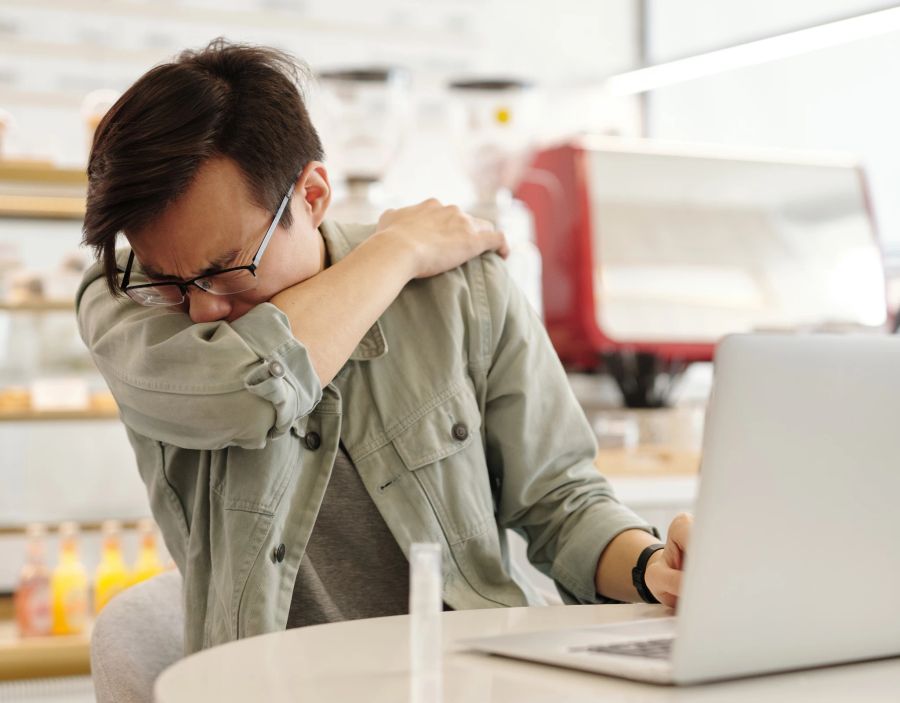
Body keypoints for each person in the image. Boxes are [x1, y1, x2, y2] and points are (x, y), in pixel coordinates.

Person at [76, 40, 691, 656]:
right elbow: (243, 388)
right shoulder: (123, 300)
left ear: (311, 196)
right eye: (169, 276)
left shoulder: (461, 290)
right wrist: (396, 252)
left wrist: (654, 566)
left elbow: (560, 501)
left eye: (227, 267)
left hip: (465, 679)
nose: (202, 307)